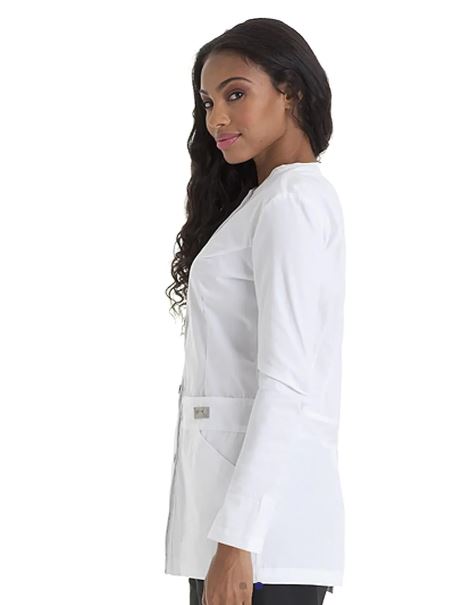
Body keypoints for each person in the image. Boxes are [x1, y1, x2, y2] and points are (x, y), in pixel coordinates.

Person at [164, 17, 345, 605]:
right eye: (208, 102)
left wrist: (238, 540)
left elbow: (286, 381)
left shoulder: (291, 203)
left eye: (235, 94)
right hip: (235, 530)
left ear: (290, 92)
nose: (216, 118)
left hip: (260, 541)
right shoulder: (266, 201)